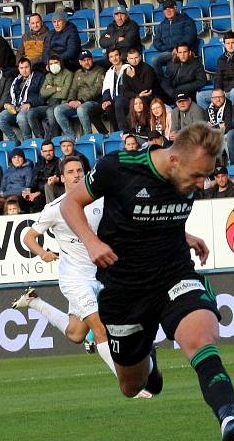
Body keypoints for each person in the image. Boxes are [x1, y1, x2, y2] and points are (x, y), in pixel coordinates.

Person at [60, 122, 234, 441]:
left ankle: (228, 420)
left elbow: (159, 216)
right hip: (125, 290)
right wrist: (91, 242)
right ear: (175, 161)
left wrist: (184, 236)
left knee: (200, 340)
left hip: (174, 274)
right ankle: (149, 363)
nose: (202, 183)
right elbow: (70, 205)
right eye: (198, 176)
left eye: (206, 176)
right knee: (131, 385)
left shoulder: (188, 177)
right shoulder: (119, 167)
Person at [16, 155, 153, 395]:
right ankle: (132, 385)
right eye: (70, 171)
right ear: (62, 177)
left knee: (76, 333)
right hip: (74, 279)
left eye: (80, 170)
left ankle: (34, 303)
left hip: (102, 275)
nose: (77, 174)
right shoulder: (55, 208)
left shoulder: (101, 200)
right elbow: (28, 237)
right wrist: (41, 253)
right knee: (100, 330)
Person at [53, 50, 107, 139]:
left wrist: (81, 101)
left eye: (88, 59)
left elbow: (97, 89)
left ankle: (88, 136)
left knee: (81, 109)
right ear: (80, 62)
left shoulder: (100, 71)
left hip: (93, 102)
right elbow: (73, 89)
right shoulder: (78, 72)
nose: (86, 62)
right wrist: (70, 100)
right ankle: (70, 137)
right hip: (77, 102)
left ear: (92, 60)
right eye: (84, 60)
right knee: (58, 110)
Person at [115, 47, 168, 130]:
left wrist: (133, 77)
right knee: (119, 102)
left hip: (151, 96)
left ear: (140, 57)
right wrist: (138, 95)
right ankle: (124, 131)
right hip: (136, 97)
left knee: (141, 101)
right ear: (128, 59)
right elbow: (125, 91)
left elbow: (146, 90)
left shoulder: (148, 69)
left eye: (136, 57)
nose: (134, 60)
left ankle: (144, 129)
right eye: (131, 58)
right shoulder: (126, 71)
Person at [0, 58, 45, 142]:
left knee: (21, 117)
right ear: (18, 69)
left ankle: (27, 141)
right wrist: (7, 104)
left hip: (30, 107)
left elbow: (43, 96)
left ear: (30, 67)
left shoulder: (39, 77)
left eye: (26, 67)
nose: (24, 70)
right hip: (16, 108)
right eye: (21, 68)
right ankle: (15, 142)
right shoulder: (16, 80)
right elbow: (10, 95)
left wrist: (30, 103)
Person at [27, 55, 72, 139]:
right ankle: (40, 139)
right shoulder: (48, 76)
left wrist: (50, 90)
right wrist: (56, 88)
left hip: (61, 104)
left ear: (60, 63)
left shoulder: (68, 74)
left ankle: (55, 138)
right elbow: (42, 93)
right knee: (31, 113)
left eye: (56, 63)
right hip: (48, 104)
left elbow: (64, 94)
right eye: (51, 64)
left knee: (50, 112)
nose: (53, 65)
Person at [151, 0, 198, 76]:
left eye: (170, 8)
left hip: (183, 51)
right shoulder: (162, 24)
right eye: (165, 9)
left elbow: (190, 36)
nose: (168, 11)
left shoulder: (186, 20)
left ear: (176, 8)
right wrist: (164, 48)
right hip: (168, 51)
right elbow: (156, 41)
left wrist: (178, 48)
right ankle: (161, 83)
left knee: (155, 60)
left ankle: (164, 83)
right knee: (154, 60)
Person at [29, 140, 60, 208]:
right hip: (36, 192)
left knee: (37, 201)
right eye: (45, 151)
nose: (48, 153)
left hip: (48, 193)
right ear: (41, 152)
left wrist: (38, 193)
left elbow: (53, 184)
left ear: (54, 151)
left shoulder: (59, 163)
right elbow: (33, 180)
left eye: (50, 150)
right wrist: (29, 191)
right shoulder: (38, 164)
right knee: (21, 200)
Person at [101, 47, 126, 131]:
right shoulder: (109, 72)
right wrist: (106, 100)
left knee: (114, 105)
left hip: (124, 98)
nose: (114, 58)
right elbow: (106, 88)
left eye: (116, 55)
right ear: (109, 59)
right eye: (111, 56)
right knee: (92, 111)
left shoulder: (127, 68)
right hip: (113, 99)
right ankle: (105, 134)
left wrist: (111, 101)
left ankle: (120, 131)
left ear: (120, 56)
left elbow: (126, 88)